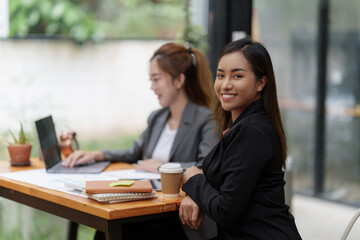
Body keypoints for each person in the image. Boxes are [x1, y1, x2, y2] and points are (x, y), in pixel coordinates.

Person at [62, 42, 218, 240]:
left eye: (156, 79)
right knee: (104, 231)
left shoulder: (205, 119)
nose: (152, 87)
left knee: (118, 232)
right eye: (150, 80)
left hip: (178, 219)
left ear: (179, 80)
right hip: (148, 208)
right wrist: (97, 154)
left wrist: (164, 167)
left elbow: (208, 167)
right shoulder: (157, 118)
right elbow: (134, 152)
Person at [179, 37, 302, 239]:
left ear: (261, 82)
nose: (225, 85)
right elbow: (232, 185)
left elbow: (226, 211)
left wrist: (194, 181)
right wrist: (195, 192)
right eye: (220, 75)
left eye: (237, 76)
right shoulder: (244, 126)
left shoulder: (252, 131)